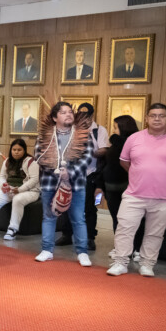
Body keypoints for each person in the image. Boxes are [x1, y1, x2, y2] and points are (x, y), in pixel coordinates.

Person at [107, 103, 166, 277]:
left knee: (155, 233)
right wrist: (139, 175)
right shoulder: (134, 139)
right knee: (124, 229)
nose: (157, 119)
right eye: (153, 115)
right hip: (134, 194)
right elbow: (124, 162)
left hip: (164, 197)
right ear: (146, 118)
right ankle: (120, 262)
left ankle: (147, 264)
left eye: (161, 116)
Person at [33, 102, 95, 266]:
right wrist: (57, 170)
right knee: (49, 217)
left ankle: (82, 252)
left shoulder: (83, 134)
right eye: (63, 112)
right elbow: (39, 156)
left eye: (70, 112)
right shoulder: (45, 135)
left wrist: (70, 173)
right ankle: (47, 250)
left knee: (78, 218)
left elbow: (87, 158)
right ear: (55, 118)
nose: (68, 114)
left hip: (76, 184)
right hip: (50, 183)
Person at [57, 103, 108, 250]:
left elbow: (104, 150)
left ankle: (90, 237)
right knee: (66, 204)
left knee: (89, 207)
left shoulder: (99, 130)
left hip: (90, 173)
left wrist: (88, 150)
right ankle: (67, 234)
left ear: (92, 116)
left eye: (86, 116)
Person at [94, 115, 143, 255]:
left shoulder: (134, 143)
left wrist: (115, 139)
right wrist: (100, 186)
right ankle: (120, 247)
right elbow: (105, 165)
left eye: (115, 127)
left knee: (131, 220)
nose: (113, 131)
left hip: (128, 188)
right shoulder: (114, 144)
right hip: (111, 189)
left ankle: (136, 248)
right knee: (117, 219)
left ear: (123, 127)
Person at [0, 139, 40, 241]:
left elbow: (34, 179)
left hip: (30, 191)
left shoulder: (32, 162)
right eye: (14, 149)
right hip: (11, 189)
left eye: (19, 150)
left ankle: (13, 229)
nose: (16, 152)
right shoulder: (7, 161)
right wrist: (3, 185)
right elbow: (2, 177)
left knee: (17, 199)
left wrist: (20, 189)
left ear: (24, 150)